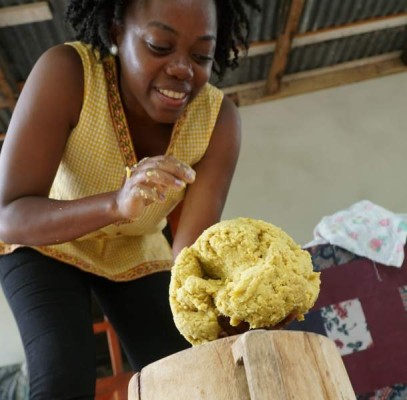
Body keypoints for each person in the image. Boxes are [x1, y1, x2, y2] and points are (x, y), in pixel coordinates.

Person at [0, 0, 259, 398]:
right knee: (63, 377)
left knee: (186, 375)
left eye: (201, 55)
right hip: (41, 239)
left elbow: (187, 256)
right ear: (119, 30)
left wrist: (233, 306)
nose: (182, 68)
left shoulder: (218, 122)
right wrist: (116, 205)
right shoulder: (68, 73)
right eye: (159, 46)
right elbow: (9, 213)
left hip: (134, 249)